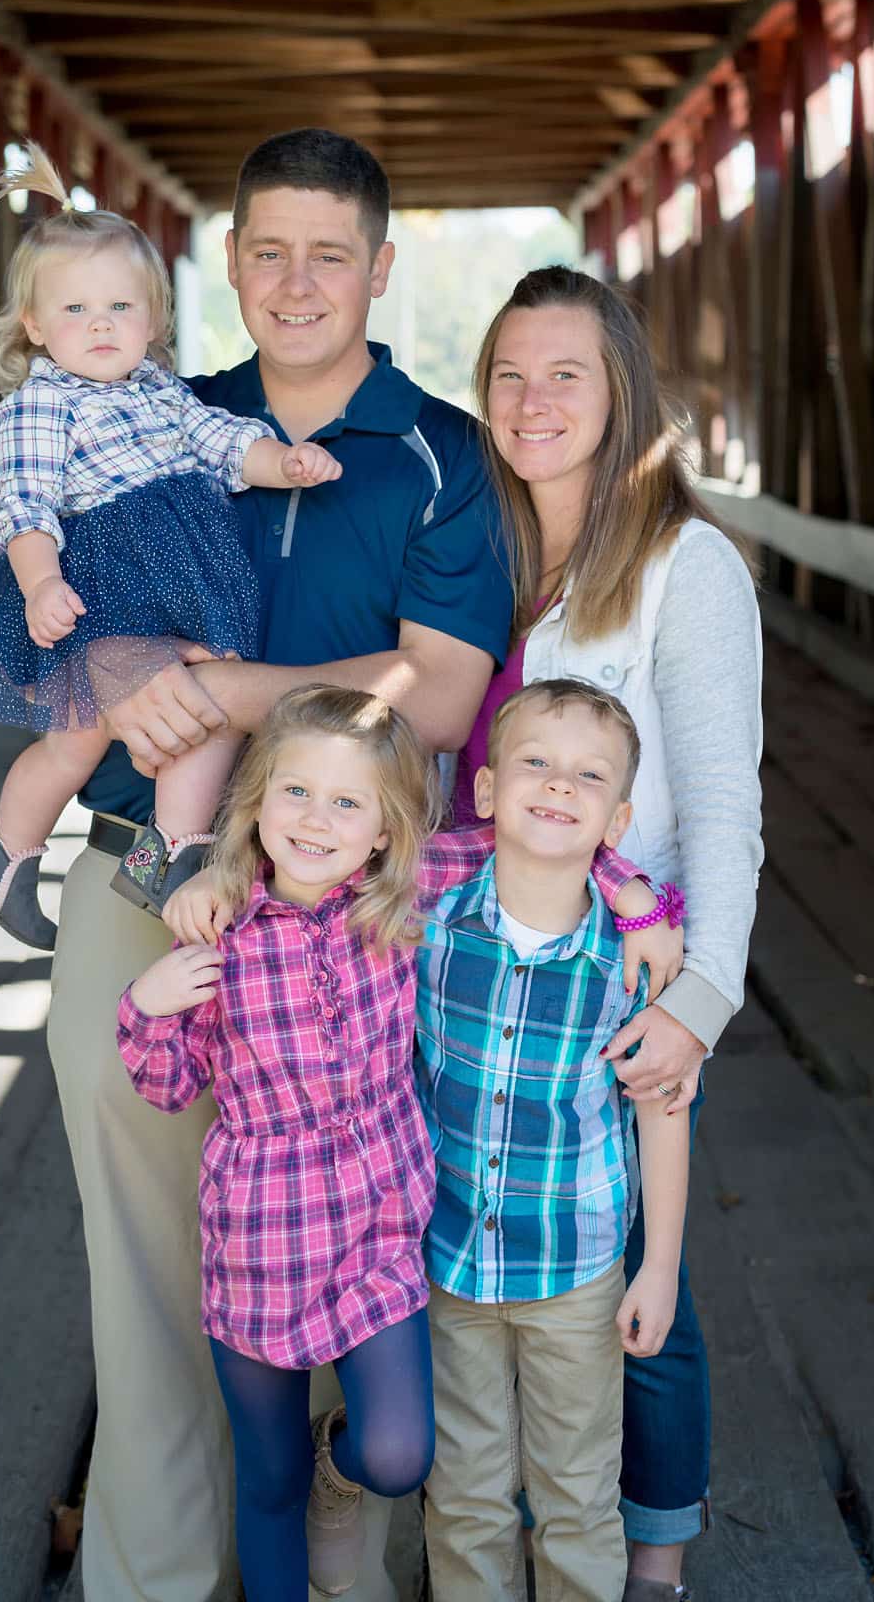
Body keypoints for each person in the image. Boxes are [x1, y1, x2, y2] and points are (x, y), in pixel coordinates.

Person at [45, 129, 513, 1602]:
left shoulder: (440, 450)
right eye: (266, 250)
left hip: (354, 910)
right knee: (143, 1270)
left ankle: (336, 1544)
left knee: (344, 1229)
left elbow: (436, 697)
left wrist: (212, 677)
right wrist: (136, 664)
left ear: (380, 269)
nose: (296, 281)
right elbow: (71, 634)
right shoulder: (146, 414)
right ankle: (153, 1577)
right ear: (225, 264)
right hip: (147, 878)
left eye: (330, 253)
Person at [155, 684, 667, 1600]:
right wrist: (196, 884)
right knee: (429, 1489)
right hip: (354, 1246)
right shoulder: (348, 909)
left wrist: (632, 890)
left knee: (542, 1481)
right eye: (297, 794)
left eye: (347, 801)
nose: (555, 787)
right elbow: (167, 1076)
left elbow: (552, 839)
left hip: (497, 1250)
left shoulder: (577, 937)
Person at [460, 265, 764, 1602]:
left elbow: (718, 810)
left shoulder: (681, 566)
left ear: (620, 389)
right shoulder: (472, 544)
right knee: (476, 1247)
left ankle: (652, 1559)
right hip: (469, 960)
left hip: (616, 974)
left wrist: (699, 1000)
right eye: (508, 374)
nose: (531, 401)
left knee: (638, 1266)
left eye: (564, 373)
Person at [0, 141, 339, 951]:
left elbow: (222, 440)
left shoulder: (160, 390)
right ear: (33, 324)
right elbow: (23, 503)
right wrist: (39, 583)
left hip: (182, 582)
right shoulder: (38, 403)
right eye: (76, 311)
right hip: (97, 585)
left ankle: (22, 863)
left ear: (153, 320)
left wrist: (284, 462)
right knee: (96, 739)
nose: (100, 327)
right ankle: (95, 854)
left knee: (190, 710)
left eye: (120, 309)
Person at [420, 677, 690, 1602]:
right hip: (447, 1257)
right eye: (534, 763)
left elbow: (661, 1109)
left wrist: (658, 1269)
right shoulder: (429, 911)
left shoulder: (637, 957)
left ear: (615, 821)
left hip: (576, 1267)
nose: (557, 786)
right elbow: (338, 849)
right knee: (464, 1495)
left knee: (576, 1494)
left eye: (586, 777)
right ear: (487, 790)